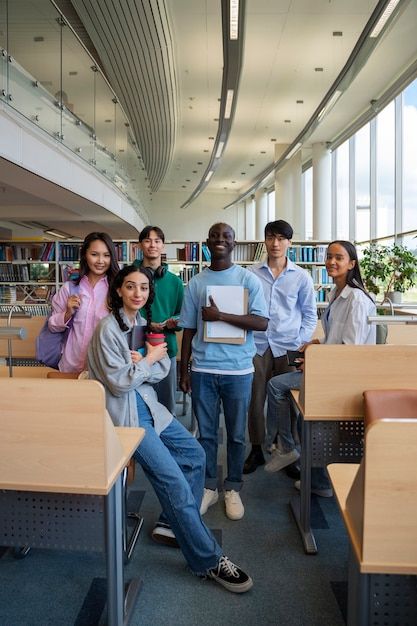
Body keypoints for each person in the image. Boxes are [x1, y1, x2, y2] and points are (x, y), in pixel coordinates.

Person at [87, 264, 253, 593]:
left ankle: (175, 524)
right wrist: (145, 362)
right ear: (119, 289)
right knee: (173, 480)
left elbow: (162, 368)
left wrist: (144, 362)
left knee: (194, 455)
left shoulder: (143, 325)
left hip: (150, 408)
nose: (138, 293)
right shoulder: (108, 329)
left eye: (144, 288)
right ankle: (208, 559)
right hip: (126, 417)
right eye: (131, 287)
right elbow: (120, 384)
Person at [265, 240, 376, 495]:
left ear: (352, 263)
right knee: (306, 415)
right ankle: (318, 480)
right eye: (328, 257)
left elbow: (350, 349)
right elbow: (337, 337)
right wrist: (317, 342)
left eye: (339, 257)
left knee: (277, 386)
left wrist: (316, 360)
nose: (331, 262)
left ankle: (287, 448)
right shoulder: (336, 293)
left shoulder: (356, 299)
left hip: (342, 376)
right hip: (331, 368)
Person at [179, 223, 268, 521]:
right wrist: (184, 370)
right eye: (215, 236)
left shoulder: (248, 280)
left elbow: (261, 323)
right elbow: (189, 330)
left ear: (234, 243)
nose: (220, 240)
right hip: (203, 369)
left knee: (237, 435)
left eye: (225, 236)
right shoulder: (196, 283)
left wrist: (221, 316)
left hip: (239, 371)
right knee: (205, 434)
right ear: (207, 242)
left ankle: (233, 488)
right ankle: (208, 487)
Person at [243, 220, 317, 475]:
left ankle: (285, 449)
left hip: (288, 347)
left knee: (288, 400)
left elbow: (309, 315)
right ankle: (256, 449)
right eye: (270, 237)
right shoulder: (250, 274)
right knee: (255, 400)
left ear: (289, 242)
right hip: (258, 346)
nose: (275, 243)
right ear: (264, 240)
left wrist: (301, 343)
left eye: (281, 238)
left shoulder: (301, 277)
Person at [48, 231, 120, 373]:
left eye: (106, 255)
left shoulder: (118, 291)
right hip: (70, 366)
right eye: (94, 254)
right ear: (85, 255)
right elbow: (52, 326)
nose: (100, 261)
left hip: (104, 369)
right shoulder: (70, 288)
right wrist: (67, 313)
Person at [133, 226, 184, 416]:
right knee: (137, 407)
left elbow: (182, 314)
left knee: (166, 407)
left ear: (163, 246)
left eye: (157, 241)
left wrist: (174, 321)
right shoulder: (130, 276)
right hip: (135, 350)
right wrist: (147, 323)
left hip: (165, 349)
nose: (152, 245)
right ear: (140, 245)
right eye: (147, 240)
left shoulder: (175, 282)